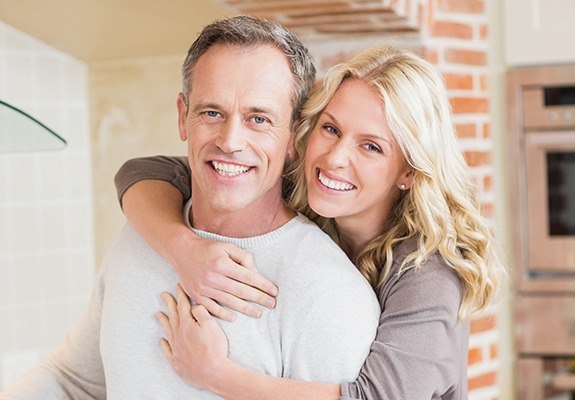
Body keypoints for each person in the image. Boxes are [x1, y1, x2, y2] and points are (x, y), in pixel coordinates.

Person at [0, 16, 381, 399]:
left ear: (294, 135)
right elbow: (71, 380)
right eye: (211, 113)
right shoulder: (142, 235)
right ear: (183, 116)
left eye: (258, 119)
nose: (231, 141)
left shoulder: (329, 296)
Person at [113, 45, 506, 399]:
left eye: (370, 146)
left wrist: (216, 374)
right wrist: (183, 249)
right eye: (331, 129)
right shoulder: (303, 189)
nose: (335, 158)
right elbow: (143, 172)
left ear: (409, 173)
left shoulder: (429, 274)